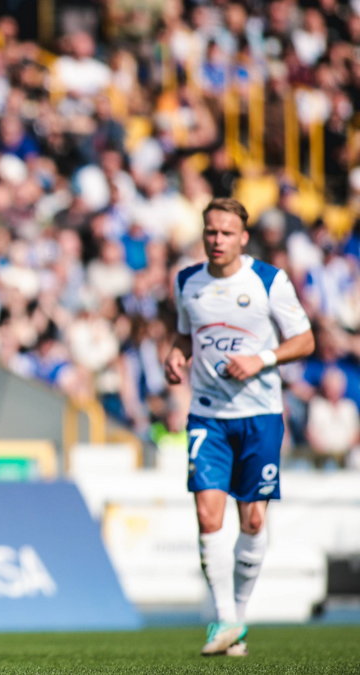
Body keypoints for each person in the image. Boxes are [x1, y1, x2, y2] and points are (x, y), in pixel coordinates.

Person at [165, 198, 314, 657]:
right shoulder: (188, 282)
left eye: (226, 233)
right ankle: (225, 619)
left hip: (260, 415)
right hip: (207, 416)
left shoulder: (268, 281)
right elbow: (185, 333)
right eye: (211, 232)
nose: (217, 240)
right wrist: (177, 353)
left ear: (242, 238)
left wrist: (261, 360)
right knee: (209, 515)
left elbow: (305, 340)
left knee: (252, 519)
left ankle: (239, 618)